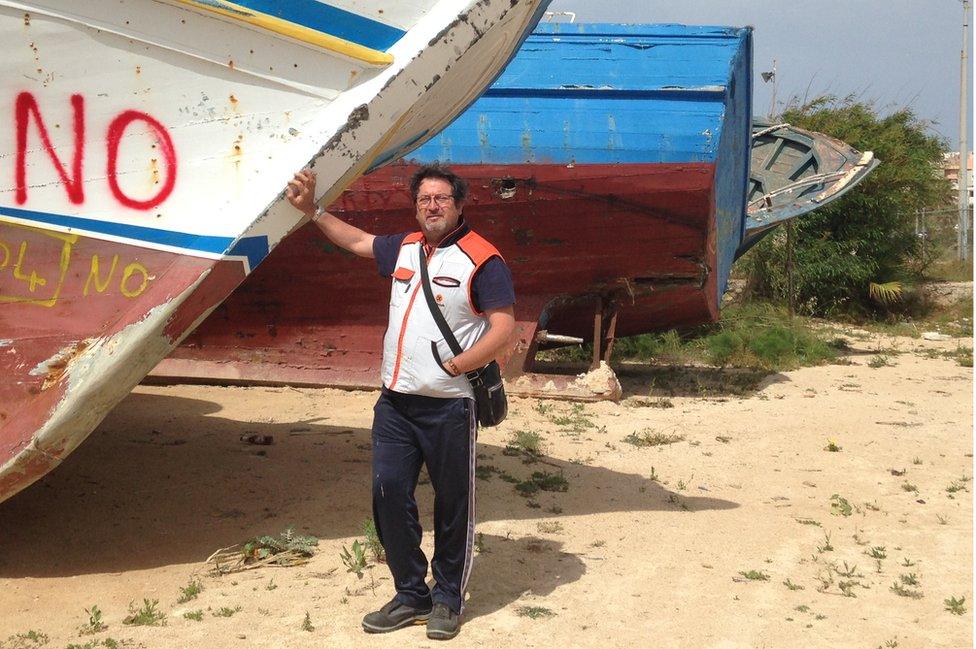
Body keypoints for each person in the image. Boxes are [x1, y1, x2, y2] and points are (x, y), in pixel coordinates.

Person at [285, 163, 515, 640]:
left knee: (454, 505)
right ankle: (411, 593)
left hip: (450, 406)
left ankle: (448, 596)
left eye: (441, 199)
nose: (432, 207)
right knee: (387, 493)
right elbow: (355, 241)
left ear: (459, 204)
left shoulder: (483, 259)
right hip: (395, 404)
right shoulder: (405, 247)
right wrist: (313, 211)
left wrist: (461, 363)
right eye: (424, 200)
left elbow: (504, 326)